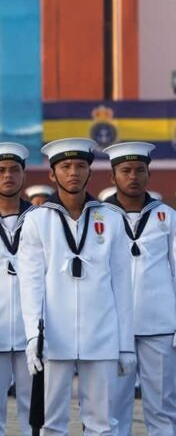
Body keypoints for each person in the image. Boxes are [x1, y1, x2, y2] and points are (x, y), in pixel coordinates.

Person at [17, 138, 134, 436]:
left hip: (102, 334)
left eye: (81, 166)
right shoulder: (37, 220)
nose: (74, 172)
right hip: (54, 336)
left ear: (90, 172)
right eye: (65, 166)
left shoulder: (111, 218)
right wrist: (33, 335)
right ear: (52, 174)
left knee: (103, 423)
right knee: (51, 423)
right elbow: (30, 283)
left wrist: (125, 344)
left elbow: (121, 284)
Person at [102, 142, 176, 436]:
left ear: (149, 174)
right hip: (115, 328)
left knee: (162, 406)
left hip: (159, 325)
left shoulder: (167, 216)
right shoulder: (101, 217)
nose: (133, 176)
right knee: (114, 406)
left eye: (139, 170)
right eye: (125, 170)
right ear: (112, 176)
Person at [0, 142, 36, 436]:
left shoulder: (41, 218)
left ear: (24, 174)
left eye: (14, 169)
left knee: (36, 414)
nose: (8, 175)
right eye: (0, 170)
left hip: (33, 332)